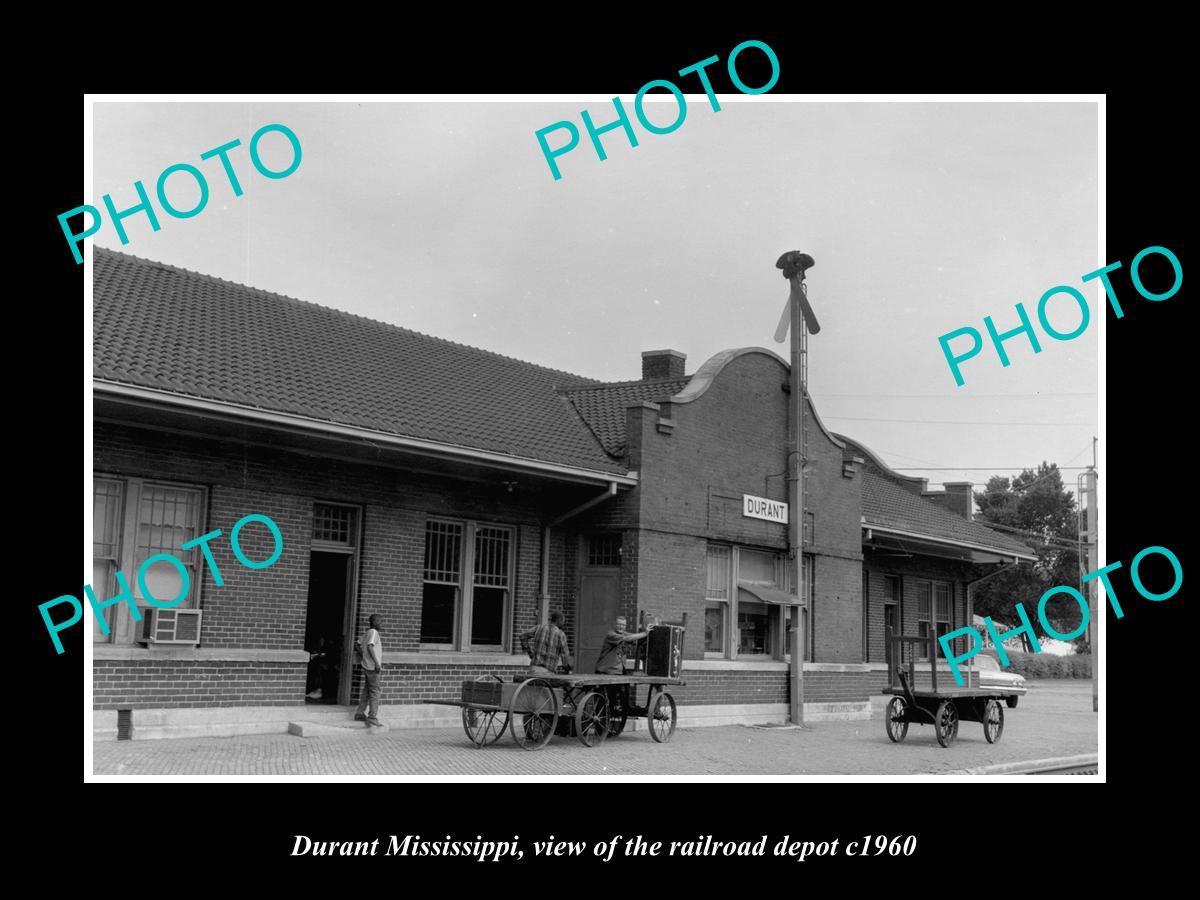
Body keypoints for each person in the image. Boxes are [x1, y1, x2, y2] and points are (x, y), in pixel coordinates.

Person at [353, 614, 384, 727]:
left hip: (367, 666)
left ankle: (359, 713)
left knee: (367, 690)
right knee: (375, 692)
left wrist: (363, 655)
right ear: (375, 622)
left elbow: (357, 644)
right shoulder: (373, 632)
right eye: (380, 622)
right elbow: (370, 646)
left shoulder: (367, 633)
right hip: (372, 667)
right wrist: (376, 662)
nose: (381, 624)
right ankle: (372, 717)